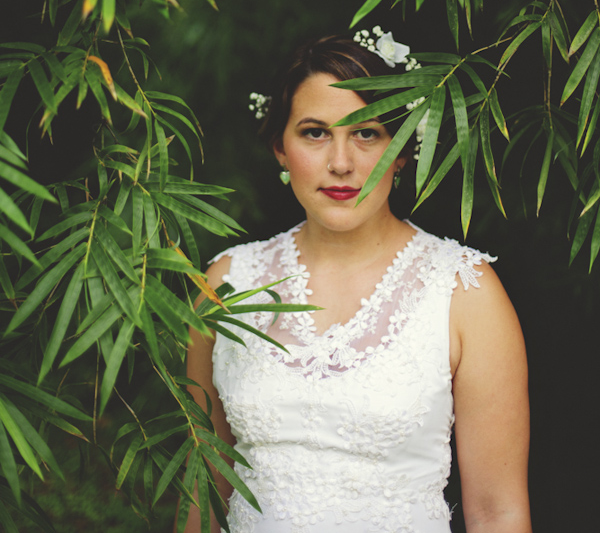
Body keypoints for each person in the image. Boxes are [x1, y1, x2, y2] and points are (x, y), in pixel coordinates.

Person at [185, 32, 532, 533]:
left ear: (404, 150)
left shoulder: (464, 293)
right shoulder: (226, 286)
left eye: (366, 133)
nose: (341, 163)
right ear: (280, 148)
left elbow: (498, 512)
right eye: (314, 133)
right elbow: (202, 492)